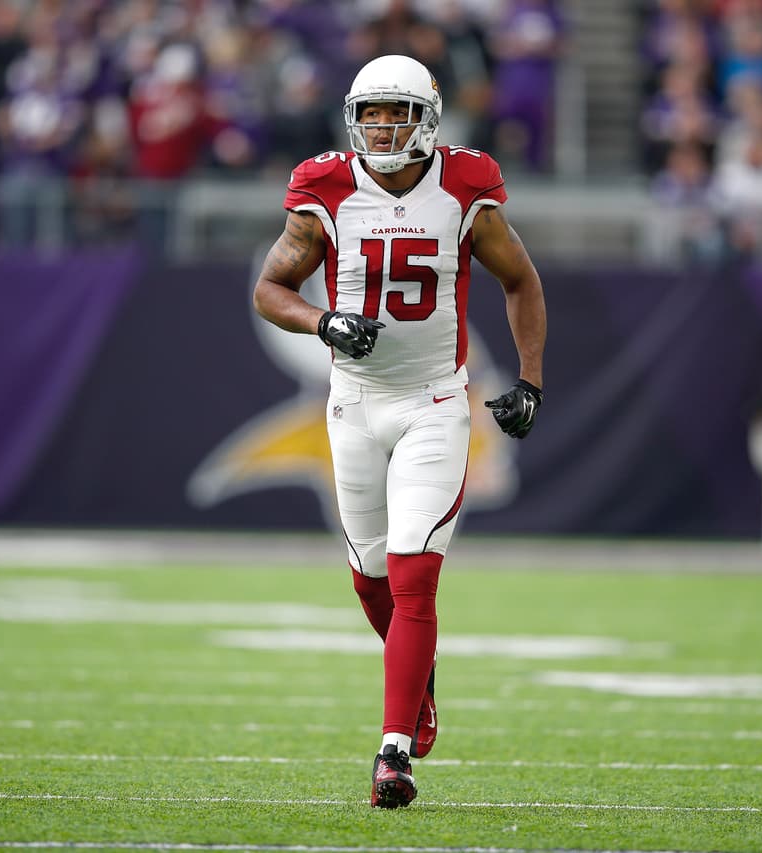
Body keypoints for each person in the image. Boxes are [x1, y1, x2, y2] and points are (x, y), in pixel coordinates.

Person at [252, 54, 547, 809]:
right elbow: (271, 288)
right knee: (370, 576)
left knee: (416, 571)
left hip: (433, 401)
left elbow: (520, 278)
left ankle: (393, 752)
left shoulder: (466, 183)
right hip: (352, 402)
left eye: (397, 112)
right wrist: (324, 319)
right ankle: (421, 681)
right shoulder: (323, 184)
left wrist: (530, 375)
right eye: (372, 112)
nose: (383, 126)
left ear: (429, 118)